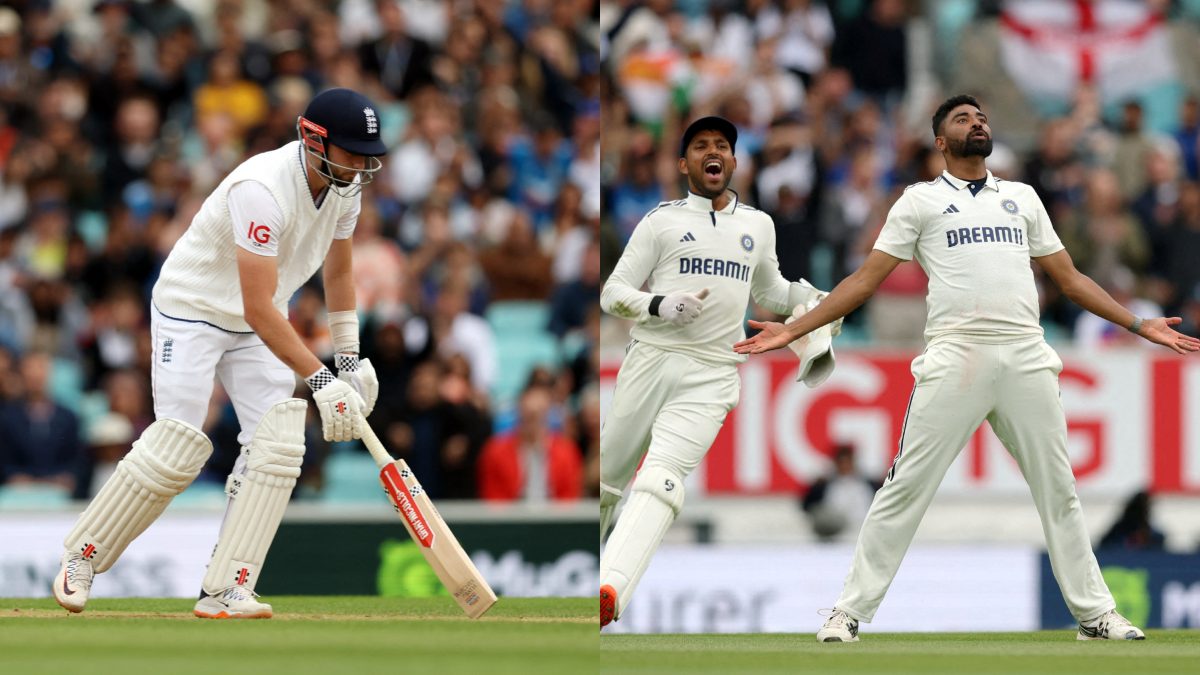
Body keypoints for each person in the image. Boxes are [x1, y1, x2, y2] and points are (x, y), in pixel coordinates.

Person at [734, 94, 1200, 642]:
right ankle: (848, 612)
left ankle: (1094, 615)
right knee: (904, 487)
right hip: (956, 353)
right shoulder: (920, 202)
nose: (978, 122)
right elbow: (866, 280)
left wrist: (1138, 324)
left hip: (1026, 351)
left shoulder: (1021, 197)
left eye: (981, 116)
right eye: (963, 118)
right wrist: (795, 327)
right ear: (940, 141)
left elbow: (1070, 279)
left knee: (1059, 491)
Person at [52, 88, 387, 619]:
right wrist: (323, 382)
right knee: (177, 447)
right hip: (194, 308)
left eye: (367, 152)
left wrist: (349, 358)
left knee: (276, 448)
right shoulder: (261, 189)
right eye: (351, 150)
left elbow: (339, 272)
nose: (363, 163)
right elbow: (257, 308)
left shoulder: (346, 186)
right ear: (312, 138)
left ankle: (228, 587)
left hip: (260, 320)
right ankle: (83, 557)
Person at [598, 116, 837, 628]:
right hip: (651, 359)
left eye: (723, 145)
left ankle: (609, 588)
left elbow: (769, 292)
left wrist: (812, 301)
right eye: (702, 146)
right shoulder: (660, 221)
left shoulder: (758, 224)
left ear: (734, 161)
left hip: (713, 372)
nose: (715, 152)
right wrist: (663, 304)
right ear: (683, 164)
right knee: (607, 484)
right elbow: (612, 293)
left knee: (663, 478)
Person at [800, 444, 880, 542]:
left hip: (865, 534)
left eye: (847, 462)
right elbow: (806, 506)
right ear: (836, 463)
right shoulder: (824, 486)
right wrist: (815, 486)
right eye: (841, 462)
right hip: (834, 536)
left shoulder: (868, 484)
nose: (845, 466)